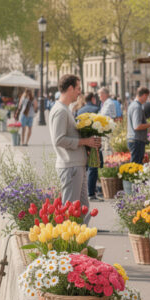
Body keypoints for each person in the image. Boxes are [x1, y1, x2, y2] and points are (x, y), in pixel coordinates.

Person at [49, 75, 101, 212]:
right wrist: (85, 141)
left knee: (82, 210)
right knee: (71, 211)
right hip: (71, 166)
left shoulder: (65, 109)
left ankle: (80, 234)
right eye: (78, 88)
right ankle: (71, 234)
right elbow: (59, 140)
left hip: (76, 165)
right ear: (70, 88)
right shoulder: (60, 111)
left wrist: (89, 141)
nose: (79, 92)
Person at [75, 92, 101, 199]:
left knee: (85, 167)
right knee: (93, 167)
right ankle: (91, 193)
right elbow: (100, 126)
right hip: (93, 140)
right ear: (93, 99)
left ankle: (83, 192)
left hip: (82, 140)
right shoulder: (96, 109)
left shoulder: (79, 110)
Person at [127, 86, 150, 164]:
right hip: (137, 140)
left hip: (134, 139)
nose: (147, 99)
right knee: (136, 165)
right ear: (144, 95)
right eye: (147, 97)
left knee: (135, 164)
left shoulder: (133, 105)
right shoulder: (137, 107)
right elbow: (137, 126)